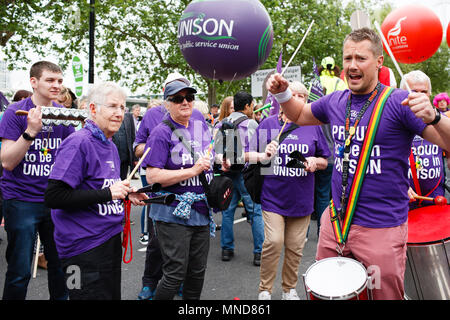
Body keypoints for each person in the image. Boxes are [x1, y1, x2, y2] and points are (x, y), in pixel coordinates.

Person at [266, 27, 450, 300]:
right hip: (336, 224)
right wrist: (282, 94)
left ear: (379, 62)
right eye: (348, 58)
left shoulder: (399, 102)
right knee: (328, 294)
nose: (352, 65)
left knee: (385, 296)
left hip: (382, 227)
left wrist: (435, 116)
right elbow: (300, 114)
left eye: (360, 58)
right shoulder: (335, 101)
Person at [44, 81, 148, 300]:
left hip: (108, 240)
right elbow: (54, 196)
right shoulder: (78, 142)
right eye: (112, 106)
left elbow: (100, 187)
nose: (119, 113)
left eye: (122, 107)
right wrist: (109, 193)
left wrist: (127, 193)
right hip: (81, 249)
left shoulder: (109, 144)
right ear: (93, 109)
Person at [0, 60, 74, 300]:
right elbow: (7, 162)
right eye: (50, 80)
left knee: (60, 268)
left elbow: (71, 160)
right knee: (20, 270)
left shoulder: (63, 116)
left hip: (55, 201)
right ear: (34, 82)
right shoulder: (15, 112)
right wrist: (30, 132)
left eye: (60, 81)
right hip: (21, 200)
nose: (57, 86)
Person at [250, 81, 330, 300]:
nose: (295, 99)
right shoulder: (267, 124)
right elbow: (244, 154)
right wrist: (262, 154)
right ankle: (265, 289)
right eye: (290, 95)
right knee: (274, 242)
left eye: (300, 96)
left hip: (302, 199)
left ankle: (288, 288)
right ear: (281, 99)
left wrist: (315, 161)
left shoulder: (314, 126)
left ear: (305, 101)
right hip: (273, 197)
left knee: (295, 248)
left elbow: (326, 160)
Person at [134, 73, 208, 300]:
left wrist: (218, 161)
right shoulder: (161, 132)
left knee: (196, 274)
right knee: (175, 274)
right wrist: (192, 171)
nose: (185, 102)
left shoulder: (200, 126)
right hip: (172, 212)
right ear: (168, 104)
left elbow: (208, 157)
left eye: (189, 97)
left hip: (201, 211)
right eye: (178, 99)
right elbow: (153, 175)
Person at [217, 91, 264, 266]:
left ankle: (226, 249)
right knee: (255, 211)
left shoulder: (222, 123)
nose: (252, 108)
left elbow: (216, 150)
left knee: (228, 211)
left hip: (228, 172)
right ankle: (259, 252)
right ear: (246, 106)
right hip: (246, 173)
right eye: (252, 105)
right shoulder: (252, 124)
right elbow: (258, 147)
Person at [400, 71, 447, 209]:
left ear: (429, 95)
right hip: (403, 198)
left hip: (436, 197)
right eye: (413, 91)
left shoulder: (441, 119)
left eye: (424, 92)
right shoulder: (391, 120)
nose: (419, 96)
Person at [112, 107, 137, 180]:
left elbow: (133, 137)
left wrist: (134, 158)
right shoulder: (109, 115)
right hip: (112, 156)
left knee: (123, 180)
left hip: (125, 156)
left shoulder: (128, 116)